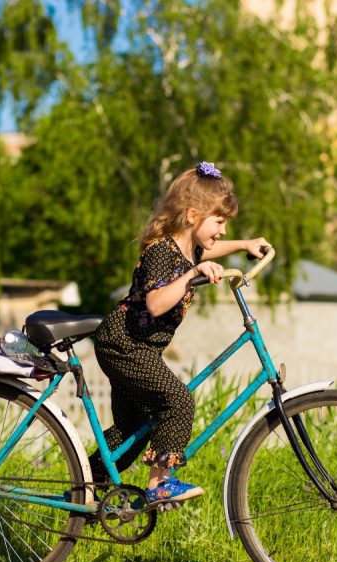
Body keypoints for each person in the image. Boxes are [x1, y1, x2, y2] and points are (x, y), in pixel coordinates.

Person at [89, 161, 268, 508]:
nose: (223, 229)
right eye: (219, 221)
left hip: (138, 348)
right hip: (125, 345)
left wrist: (245, 243)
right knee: (178, 401)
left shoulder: (189, 249)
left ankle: (85, 480)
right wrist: (191, 276)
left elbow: (208, 250)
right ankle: (160, 485)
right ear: (191, 216)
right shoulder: (161, 252)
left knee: (133, 430)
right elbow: (156, 303)